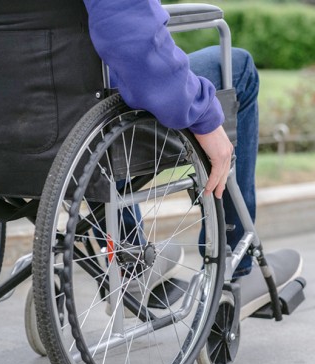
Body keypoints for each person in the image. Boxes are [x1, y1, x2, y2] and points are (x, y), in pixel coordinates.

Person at [81, 1, 256, 277]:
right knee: (240, 67)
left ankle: (131, 263)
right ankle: (234, 269)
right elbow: (132, 36)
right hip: (102, 108)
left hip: (18, 125)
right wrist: (203, 112)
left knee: (85, 107)